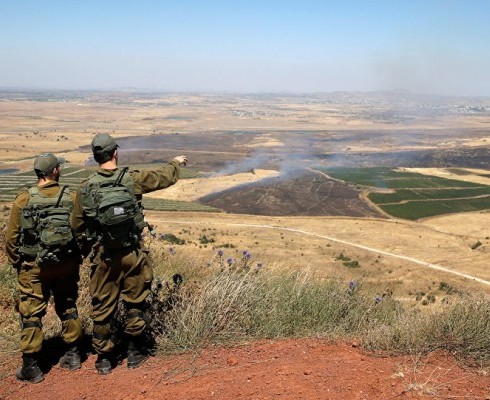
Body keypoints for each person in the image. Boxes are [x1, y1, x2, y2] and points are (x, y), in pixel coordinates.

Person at [71, 133, 187, 375]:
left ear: (95, 157)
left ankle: (104, 358)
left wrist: (86, 251)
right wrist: (175, 163)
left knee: (102, 306)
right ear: (115, 153)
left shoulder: (86, 187)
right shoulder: (131, 179)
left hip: (103, 255)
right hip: (132, 252)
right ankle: (135, 352)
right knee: (135, 300)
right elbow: (162, 178)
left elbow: (78, 227)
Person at [5, 153, 83, 384]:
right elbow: (81, 231)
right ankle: (73, 355)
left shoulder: (23, 199)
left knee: (31, 310)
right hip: (66, 263)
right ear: (55, 171)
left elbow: (11, 239)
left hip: (34, 265)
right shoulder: (71, 196)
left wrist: (18, 263)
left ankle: (31, 366)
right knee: (68, 304)